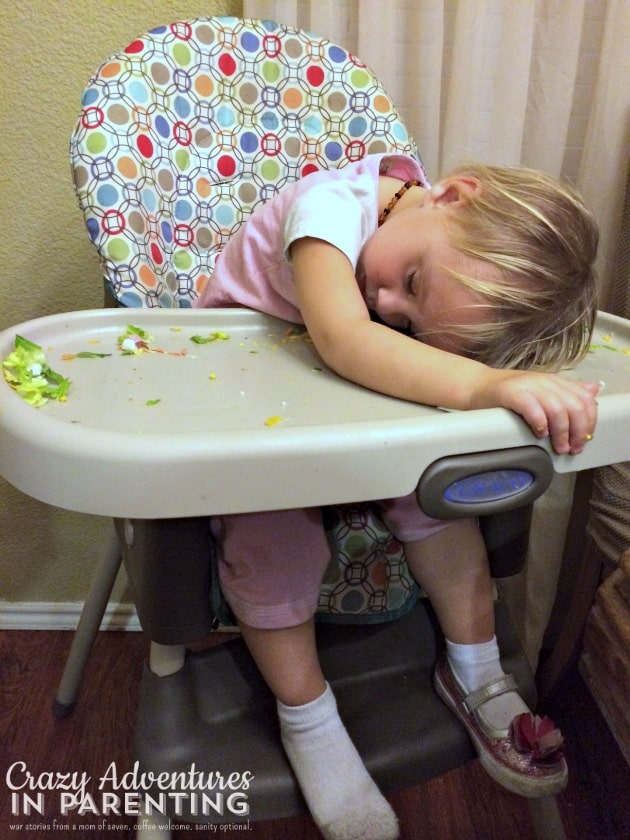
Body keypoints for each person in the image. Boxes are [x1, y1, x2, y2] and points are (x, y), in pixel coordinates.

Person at [195, 152, 599, 840]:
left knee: (437, 505)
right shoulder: (326, 213)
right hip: (248, 406)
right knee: (272, 535)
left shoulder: (428, 248)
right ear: (452, 196)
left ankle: (476, 672)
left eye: (412, 327)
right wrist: (481, 387)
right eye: (412, 281)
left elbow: (372, 347)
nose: (388, 306)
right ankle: (308, 718)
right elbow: (348, 337)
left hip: (347, 407)